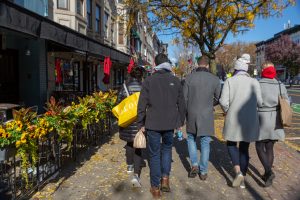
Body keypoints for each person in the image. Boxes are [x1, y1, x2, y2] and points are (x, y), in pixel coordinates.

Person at [137, 53, 185, 198]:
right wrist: (180, 122)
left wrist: (141, 123)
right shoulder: (176, 80)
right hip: (170, 123)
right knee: (166, 151)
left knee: (154, 154)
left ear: (155, 65)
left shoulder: (149, 81)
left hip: (153, 123)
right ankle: (165, 180)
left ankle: (155, 187)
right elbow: (182, 104)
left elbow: (141, 104)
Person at [219, 54, 263, 189]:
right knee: (244, 148)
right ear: (246, 69)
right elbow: (260, 102)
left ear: (236, 69)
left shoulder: (229, 81)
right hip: (249, 120)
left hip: (233, 118)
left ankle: (237, 171)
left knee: (231, 144)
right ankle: (242, 177)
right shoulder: (255, 82)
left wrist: (227, 109)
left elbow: (223, 101)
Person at [183, 55, 221, 180]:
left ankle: (194, 164)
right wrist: (211, 104)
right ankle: (203, 171)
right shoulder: (215, 79)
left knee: (191, 138)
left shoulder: (189, 78)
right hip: (207, 113)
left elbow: (184, 98)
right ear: (208, 65)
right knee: (205, 142)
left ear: (197, 64)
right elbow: (218, 97)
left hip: (192, 112)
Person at [256, 61, 289, 187]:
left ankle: (269, 172)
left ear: (263, 70)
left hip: (261, 117)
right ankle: (267, 173)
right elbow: (286, 102)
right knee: (269, 147)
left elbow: (253, 102)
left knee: (259, 145)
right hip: (275, 119)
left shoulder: (258, 84)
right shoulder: (280, 85)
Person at [117, 67, 144, 187]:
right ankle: (136, 173)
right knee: (138, 146)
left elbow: (118, 103)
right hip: (140, 120)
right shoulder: (144, 87)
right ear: (141, 76)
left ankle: (129, 166)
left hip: (128, 120)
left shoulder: (124, 87)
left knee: (129, 143)